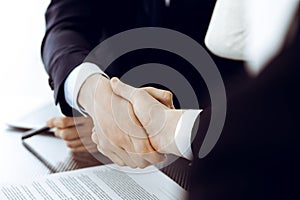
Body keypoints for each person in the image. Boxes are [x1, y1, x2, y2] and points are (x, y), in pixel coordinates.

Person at [42, 0, 246, 168]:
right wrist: (97, 100)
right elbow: (63, 28)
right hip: (126, 162)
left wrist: (135, 123)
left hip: (227, 139)